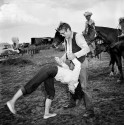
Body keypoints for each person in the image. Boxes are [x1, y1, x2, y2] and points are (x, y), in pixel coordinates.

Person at [6, 53, 81, 119]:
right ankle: (12, 102)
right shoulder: (75, 77)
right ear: (75, 87)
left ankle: (46, 114)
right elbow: (78, 65)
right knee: (31, 86)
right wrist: (73, 58)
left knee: (51, 93)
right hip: (49, 69)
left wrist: (60, 62)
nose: (69, 89)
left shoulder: (70, 82)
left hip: (50, 74)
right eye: (72, 90)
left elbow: (66, 69)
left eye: (70, 91)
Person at [56, 22, 94, 116]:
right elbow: (68, 52)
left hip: (82, 63)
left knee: (84, 87)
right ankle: (72, 103)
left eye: (63, 33)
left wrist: (75, 55)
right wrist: (62, 59)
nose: (62, 35)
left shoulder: (78, 36)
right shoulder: (66, 39)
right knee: (71, 82)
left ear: (68, 30)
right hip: (73, 64)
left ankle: (90, 111)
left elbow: (86, 49)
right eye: (61, 33)